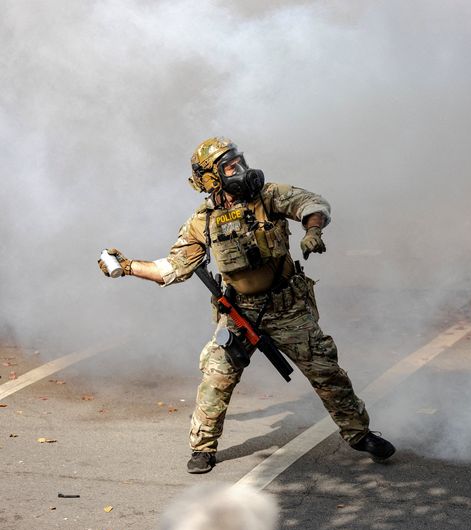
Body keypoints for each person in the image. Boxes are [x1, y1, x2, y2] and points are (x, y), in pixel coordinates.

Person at [99, 137, 395, 473]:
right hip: (239, 313)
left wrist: (313, 231)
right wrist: (127, 267)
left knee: (326, 370)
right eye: (229, 167)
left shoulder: (267, 196)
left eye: (238, 162)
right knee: (216, 377)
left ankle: (358, 434)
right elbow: (171, 268)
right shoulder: (202, 221)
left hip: (287, 307)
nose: (239, 170)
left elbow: (312, 204)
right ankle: (203, 448)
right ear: (211, 179)